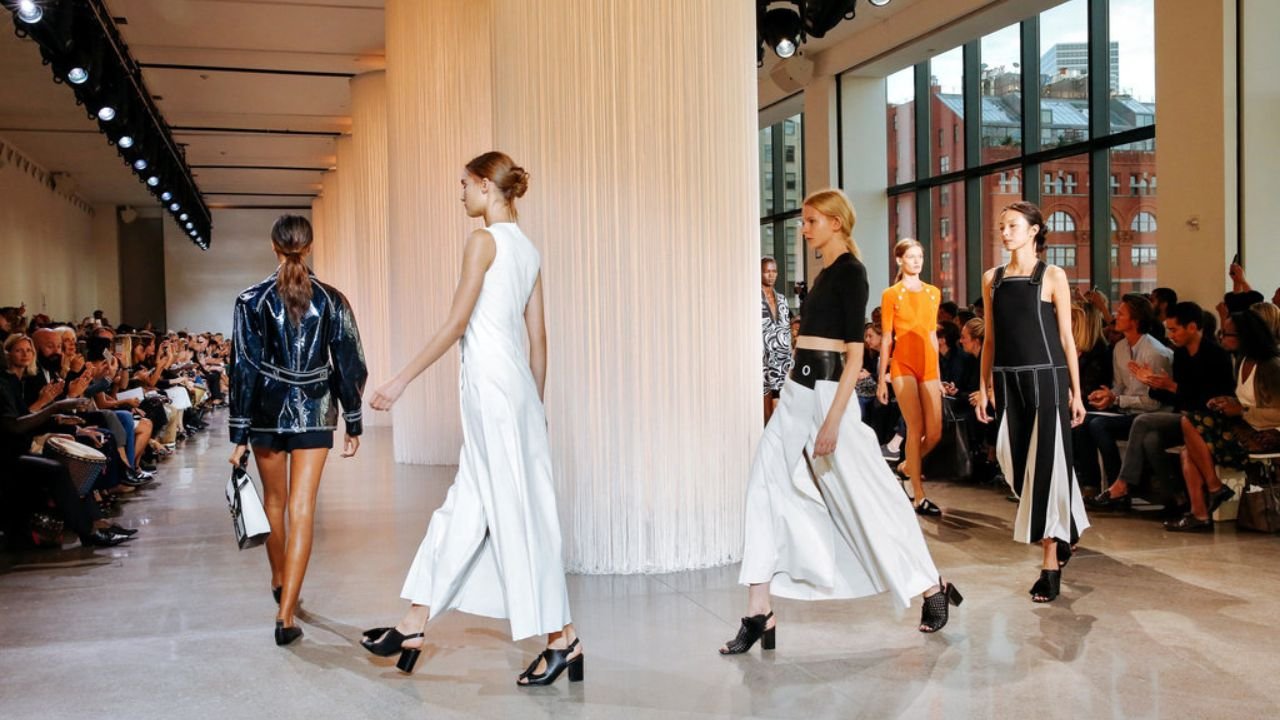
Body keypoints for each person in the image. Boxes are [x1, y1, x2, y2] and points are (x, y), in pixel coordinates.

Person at [361, 152, 581, 687]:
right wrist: (537, 409)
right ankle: (413, 623)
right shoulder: (528, 250)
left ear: (486, 186)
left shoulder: (483, 241)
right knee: (467, 506)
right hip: (516, 393)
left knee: (516, 515)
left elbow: (457, 323)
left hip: (492, 392)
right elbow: (539, 339)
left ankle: (563, 640)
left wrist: (400, 380)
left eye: (464, 184)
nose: (459, 193)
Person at [722, 188, 961, 658]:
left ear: (835, 222)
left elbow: (855, 355)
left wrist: (832, 421)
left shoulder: (852, 272)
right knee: (762, 488)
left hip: (829, 397)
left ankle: (931, 585)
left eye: (811, 220)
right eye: (803, 221)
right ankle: (758, 611)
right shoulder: (825, 273)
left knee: (869, 495)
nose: (804, 229)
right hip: (797, 392)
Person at [227, 215, 368, 647]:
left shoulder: (250, 300)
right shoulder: (332, 300)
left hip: (266, 413)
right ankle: (285, 613)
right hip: (315, 410)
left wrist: (239, 432)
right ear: (309, 247)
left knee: (275, 502)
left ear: (274, 247)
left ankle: (279, 580)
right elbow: (349, 361)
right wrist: (353, 418)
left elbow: (243, 368)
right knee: (302, 507)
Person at [975, 201, 1089, 604]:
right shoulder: (992, 279)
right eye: (1002, 226)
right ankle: (1066, 530)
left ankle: (1049, 563)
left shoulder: (1052, 275)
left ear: (1034, 231)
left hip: (1047, 380)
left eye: (1012, 225)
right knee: (1016, 464)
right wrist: (983, 387)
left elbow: (1066, 339)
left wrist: (1077, 392)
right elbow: (990, 339)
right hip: (1007, 381)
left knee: (1046, 471)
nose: (1005, 232)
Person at [1169, 307, 1280, 531]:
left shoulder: (1270, 366)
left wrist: (1242, 410)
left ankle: (1212, 491)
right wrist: (1226, 402)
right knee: (1187, 449)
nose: (1221, 338)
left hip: (1267, 433)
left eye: (1227, 334)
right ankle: (1201, 510)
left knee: (1188, 423)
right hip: (1244, 426)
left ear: (1244, 336)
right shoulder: (1241, 360)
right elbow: (1243, 400)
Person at [1081, 294, 1173, 508]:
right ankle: (1090, 485)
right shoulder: (1120, 347)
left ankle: (1119, 487)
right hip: (1127, 411)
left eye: (1121, 313)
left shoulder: (1155, 353)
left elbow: (1154, 403)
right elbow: (1120, 385)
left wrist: (1118, 399)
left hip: (1149, 415)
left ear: (1135, 321)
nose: (1116, 316)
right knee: (1082, 420)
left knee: (1098, 425)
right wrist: (1108, 396)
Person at [877, 238, 944, 516]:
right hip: (902, 365)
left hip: (928, 366)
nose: (917, 261)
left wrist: (938, 374)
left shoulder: (933, 293)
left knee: (935, 433)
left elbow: (932, 335)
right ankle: (918, 495)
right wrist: (881, 378)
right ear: (899, 260)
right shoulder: (891, 294)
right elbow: (886, 338)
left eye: (920, 256)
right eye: (911, 256)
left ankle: (906, 466)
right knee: (915, 429)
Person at [761, 256, 793, 422]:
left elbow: (786, 330)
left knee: (781, 408)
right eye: (767, 271)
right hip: (762, 359)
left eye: (774, 271)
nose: (771, 275)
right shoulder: (754, 298)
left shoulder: (782, 300)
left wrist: (789, 355)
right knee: (765, 406)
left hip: (781, 361)